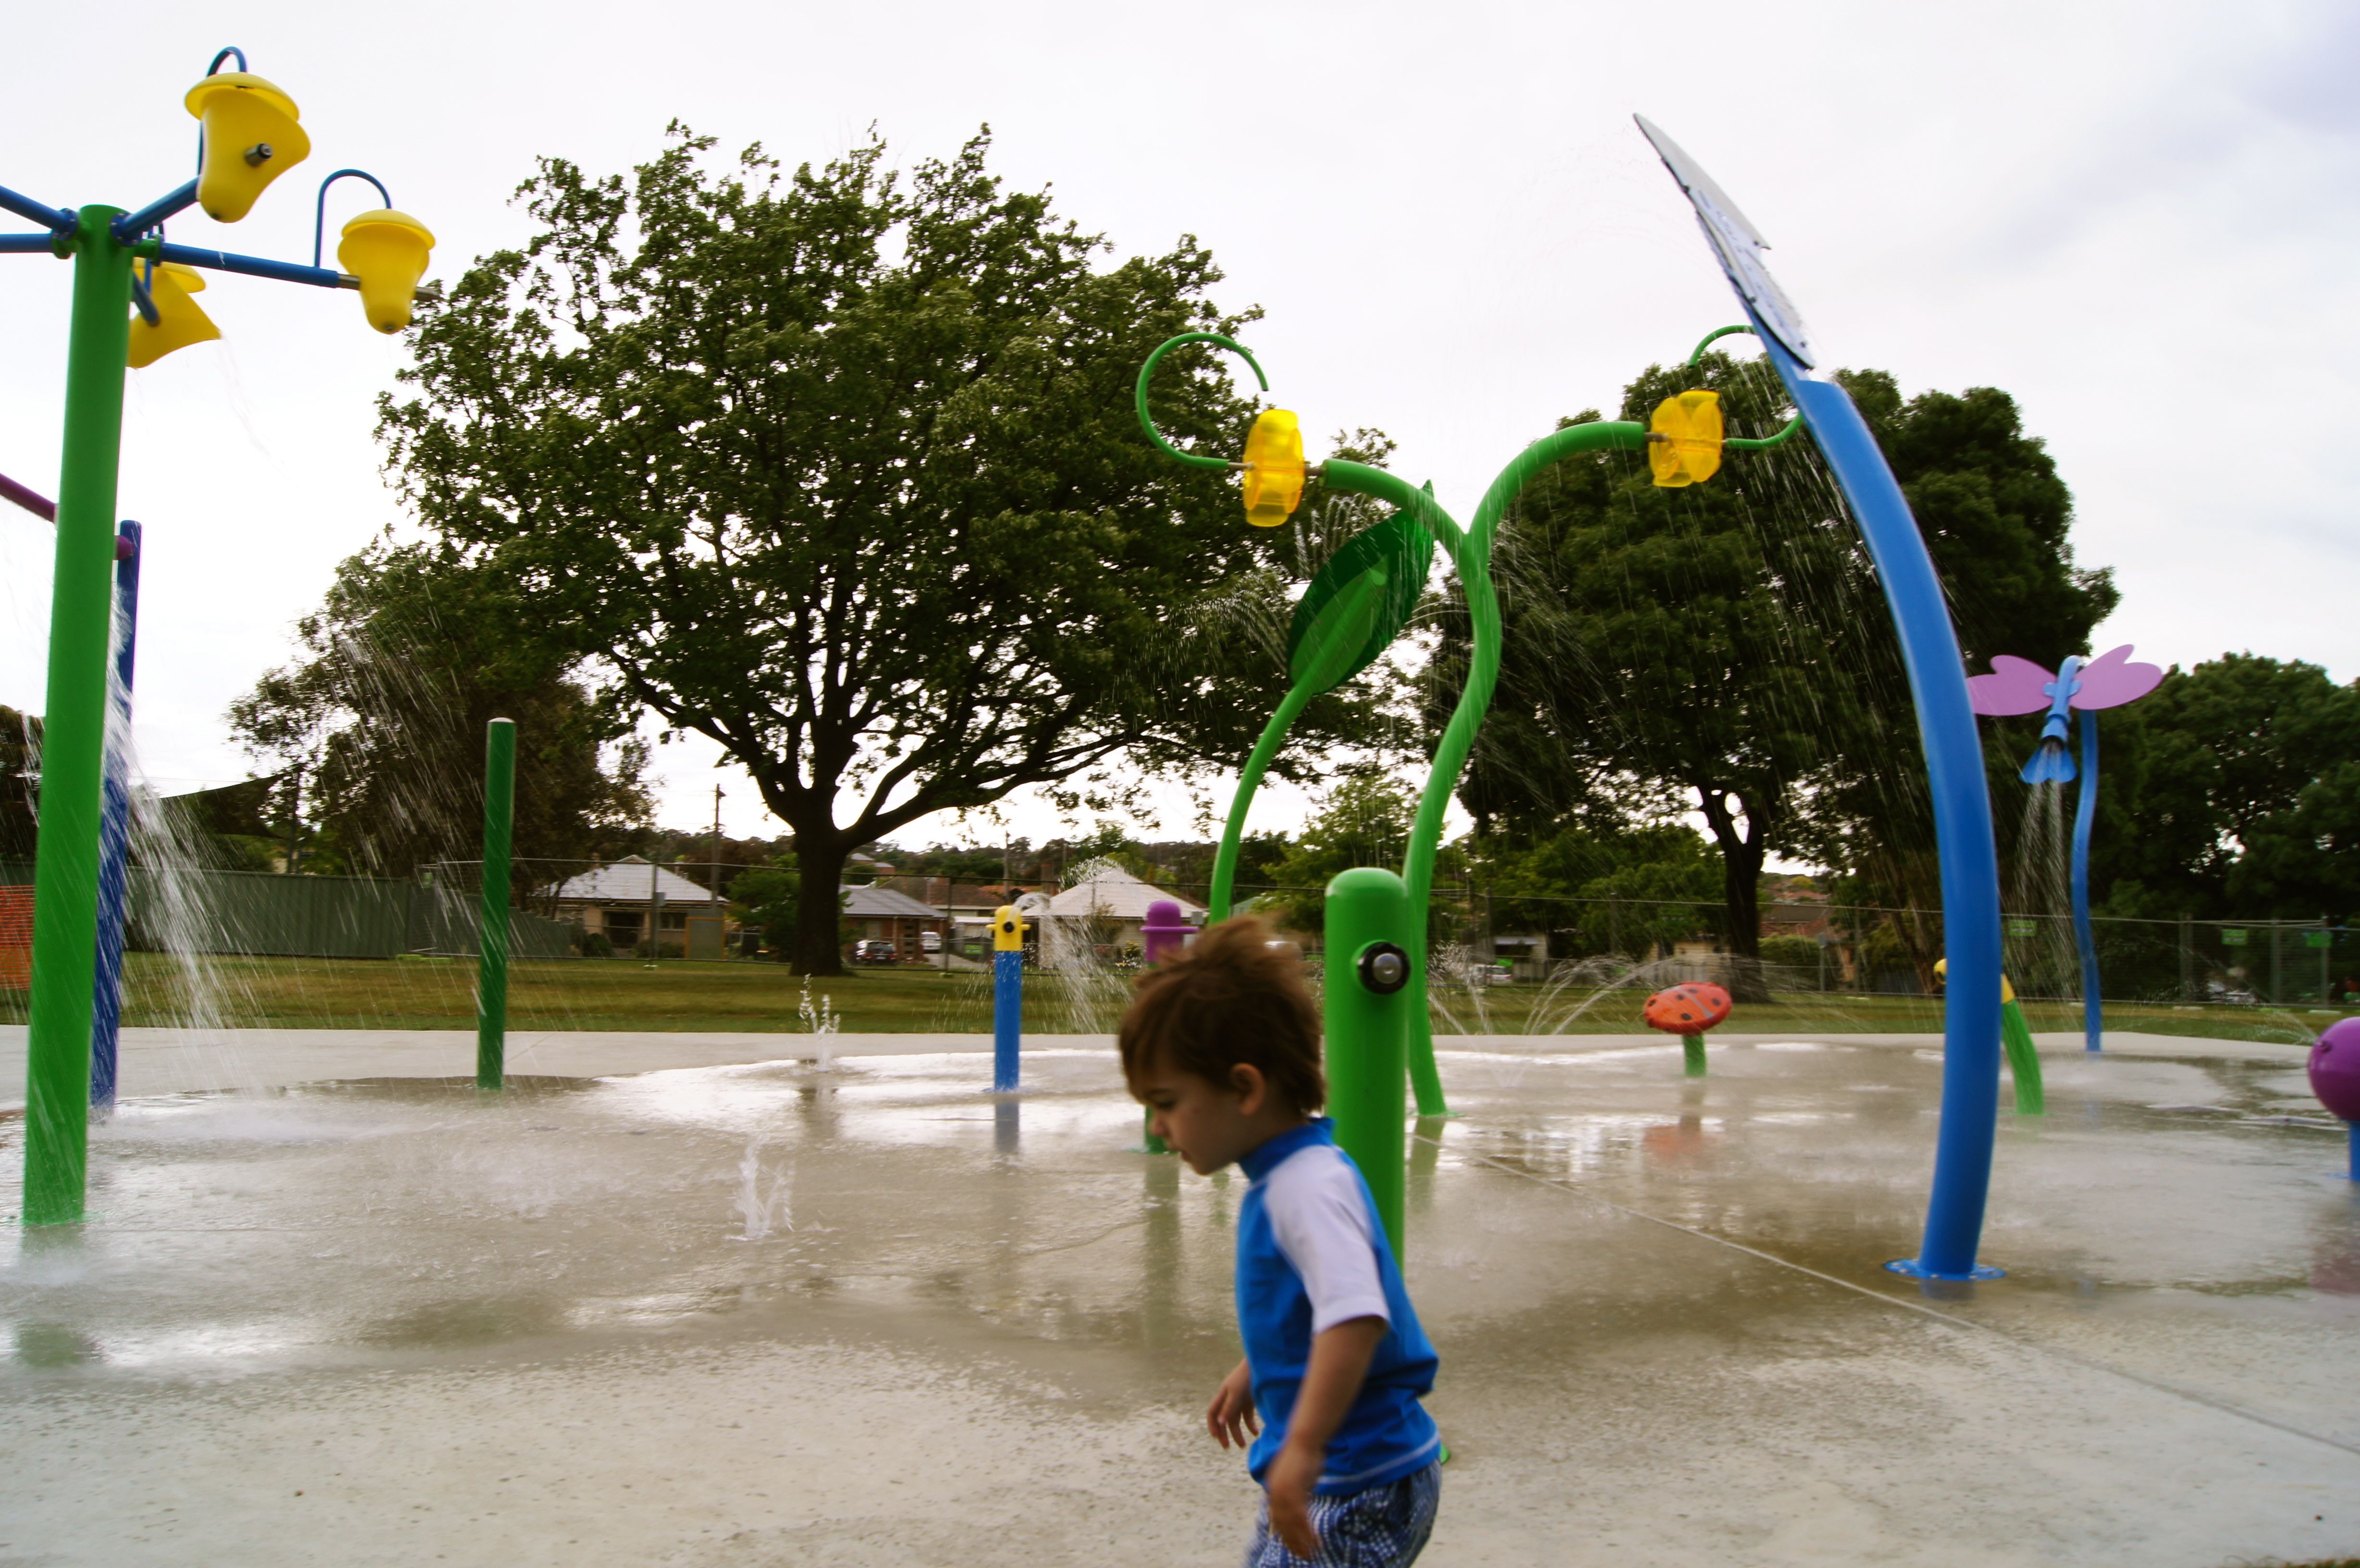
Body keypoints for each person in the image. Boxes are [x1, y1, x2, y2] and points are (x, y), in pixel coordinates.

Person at [1119, 917, 1441, 1567]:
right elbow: (1317, 1307)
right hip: (1346, 1473)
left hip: (1353, 1482)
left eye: (1167, 1103)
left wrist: (1304, 1448)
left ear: (1244, 1088)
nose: (1158, 1128)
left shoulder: (1305, 1187)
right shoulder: (1296, 1171)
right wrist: (1256, 1370)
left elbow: (1355, 1316)